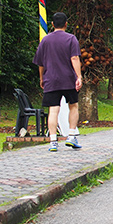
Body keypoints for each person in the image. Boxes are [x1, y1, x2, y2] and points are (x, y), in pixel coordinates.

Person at [33, 12, 82, 152]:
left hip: (51, 80)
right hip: (68, 79)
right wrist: (79, 76)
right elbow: (74, 58)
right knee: (73, 106)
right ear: (66, 24)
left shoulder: (45, 40)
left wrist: (42, 78)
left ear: (52, 24)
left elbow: (40, 63)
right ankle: (71, 136)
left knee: (53, 110)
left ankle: (53, 141)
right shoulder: (71, 39)